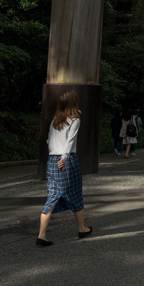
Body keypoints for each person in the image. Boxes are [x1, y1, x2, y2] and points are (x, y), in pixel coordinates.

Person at [37, 90, 91, 246]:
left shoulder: (55, 120)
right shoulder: (75, 120)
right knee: (75, 193)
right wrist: (65, 158)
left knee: (52, 195)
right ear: (75, 103)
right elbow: (70, 140)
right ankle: (82, 228)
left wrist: (55, 155)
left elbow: (48, 139)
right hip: (66, 160)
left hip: (52, 160)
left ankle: (42, 235)